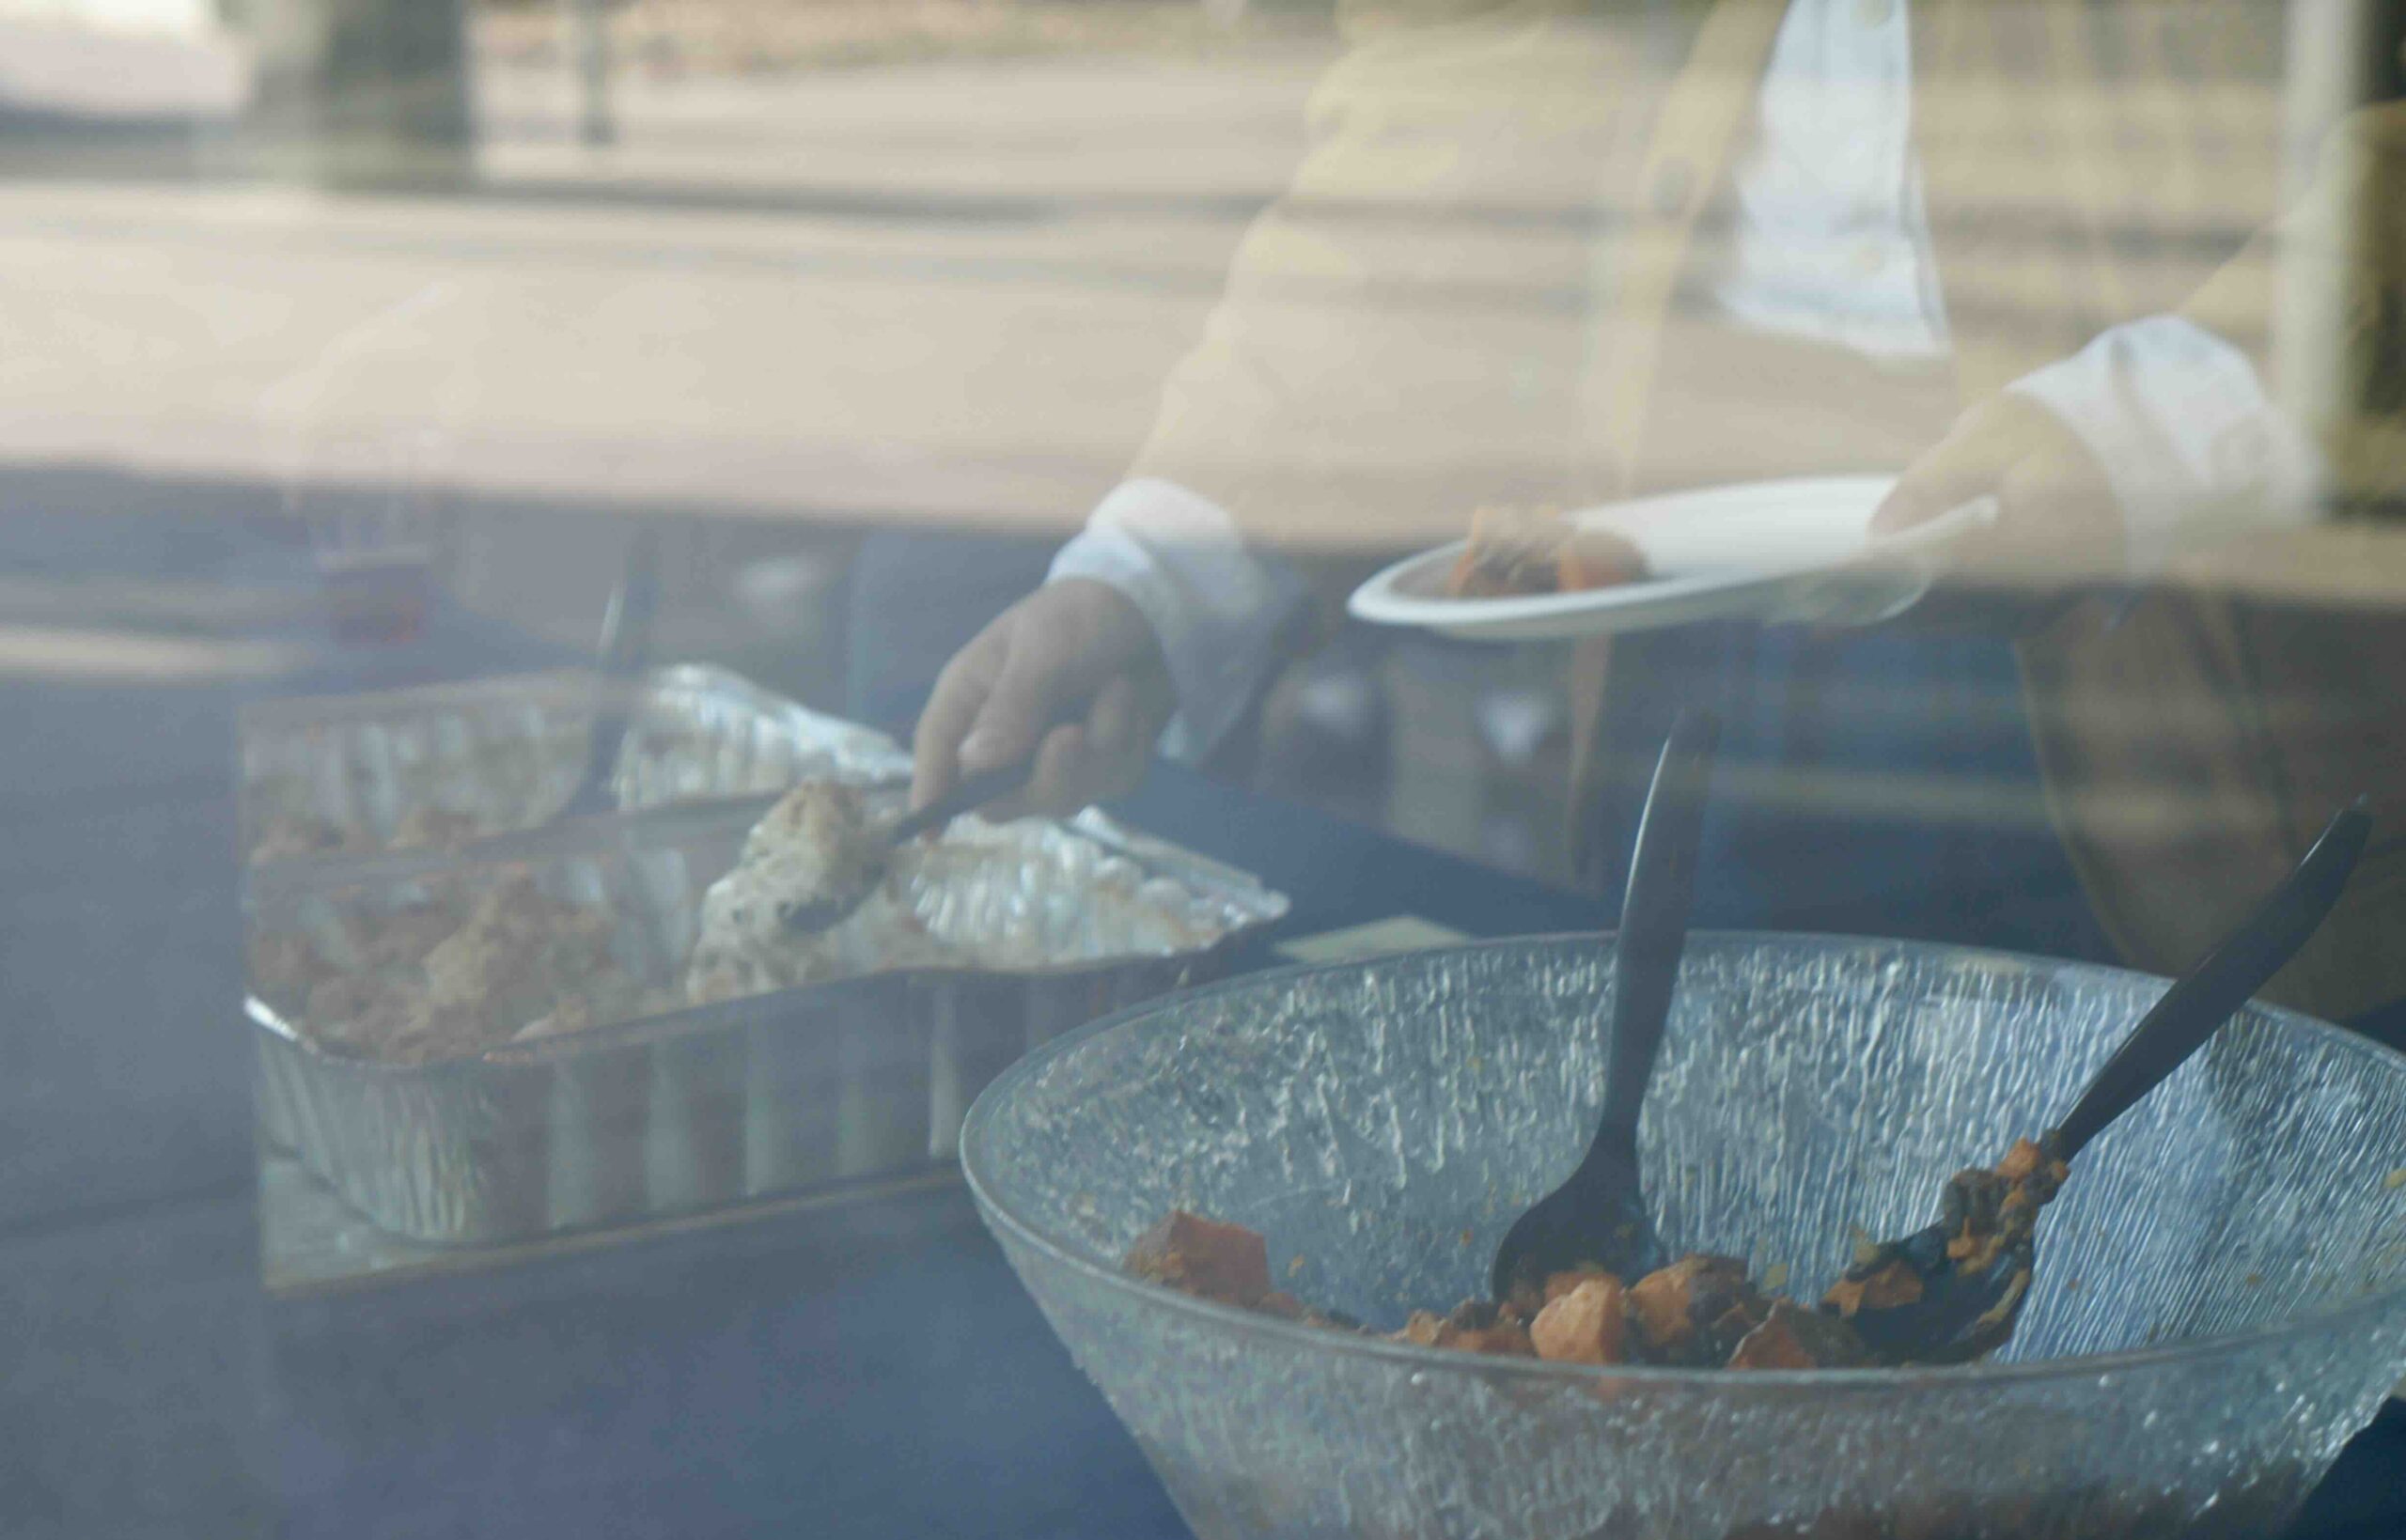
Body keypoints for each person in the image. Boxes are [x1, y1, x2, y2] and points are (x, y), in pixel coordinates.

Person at [910, 0, 2406, 1019]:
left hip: (2224, 667)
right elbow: (1482, 74)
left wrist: (2154, 431)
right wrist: (1168, 567)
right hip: (1698, 627)